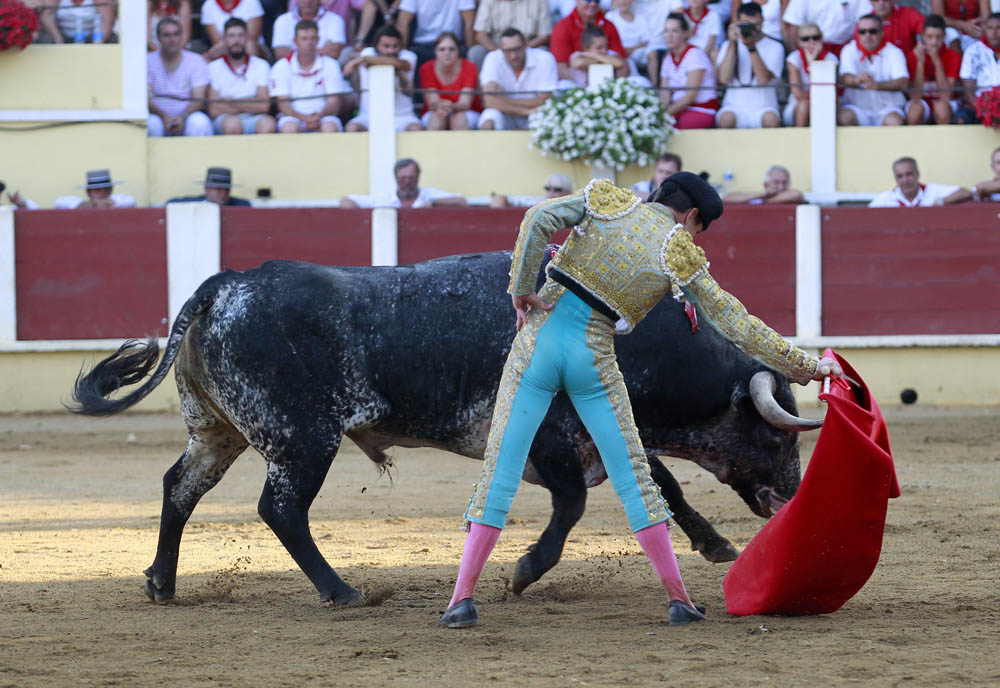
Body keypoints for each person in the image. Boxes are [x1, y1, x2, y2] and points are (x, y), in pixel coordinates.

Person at [437, 172, 842, 630]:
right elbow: (735, 321)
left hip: (538, 346)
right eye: (696, 228)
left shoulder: (608, 201)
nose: (691, 234)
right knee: (634, 476)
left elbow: (538, 217)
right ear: (691, 217)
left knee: (501, 469)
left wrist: (521, 289)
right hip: (594, 358)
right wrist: (806, 367)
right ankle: (680, 602)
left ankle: (460, 602)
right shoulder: (679, 250)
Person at [270, 19, 352, 133]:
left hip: (324, 116)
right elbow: (283, 104)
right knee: (289, 128)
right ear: (295, 41)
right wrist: (304, 118)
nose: (309, 43)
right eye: (304, 39)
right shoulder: (281, 66)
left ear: (318, 40)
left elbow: (334, 102)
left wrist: (317, 117)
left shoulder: (331, 64)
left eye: (313, 38)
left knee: (329, 128)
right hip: (292, 117)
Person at [715, 2, 786, 129]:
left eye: (756, 24)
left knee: (770, 120)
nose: (752, 29)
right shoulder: (728, 45)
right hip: (734, 106)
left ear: (763, 21)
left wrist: (751, 48)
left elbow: (764, 80)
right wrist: (733, 44)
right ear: (737, 22)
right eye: (747, 24)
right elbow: (723, 79)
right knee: (726, 119)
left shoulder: (775, 46)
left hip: (764, 106)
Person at [344, 24, 424, 132]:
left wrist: (361, 59)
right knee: (352, 128)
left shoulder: (408, 56)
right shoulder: (367, 53)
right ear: (376, 46)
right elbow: (379, 63)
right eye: (386, 46)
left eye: (395, 46)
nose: (391, 51)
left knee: (416, 129)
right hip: (369, 115)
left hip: (402, 116)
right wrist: (365, 59)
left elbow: (400, 64)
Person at [478, 28, 559, 131]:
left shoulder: (545, 59)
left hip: (535, 113)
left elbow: (545, 100)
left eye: (517, 49)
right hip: (522, 112)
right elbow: (489, 102)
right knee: (488, 119)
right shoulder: (492, 58)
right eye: (508, 50)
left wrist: (503, 100)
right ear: (500, 49)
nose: (513, 56)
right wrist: (524, 111)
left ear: (526, 46)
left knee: (544, 116)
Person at [837, 14, 908, 127]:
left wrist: (878, 85)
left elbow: (903, 82)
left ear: (881, 33)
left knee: (895, 121)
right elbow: (846, 78)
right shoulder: (849, 50)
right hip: (857, 108)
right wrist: (857, 79)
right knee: (844, 117)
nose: (867, 35)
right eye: (862, 31)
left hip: (888, 108)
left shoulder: (894, 52)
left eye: (873, 31)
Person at [208, 18, 277, 135]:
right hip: (225, 119)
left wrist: (229, 101)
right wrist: (250, 103)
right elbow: (214, 109)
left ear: (247, 38)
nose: (236, 40)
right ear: (224, 40)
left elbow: (264, 106)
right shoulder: (213, 67)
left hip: (253, 118)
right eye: (232, 36)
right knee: (232, 124)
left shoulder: (261, 65)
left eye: (240, 36)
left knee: (268, 124)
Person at [147, 18, 214, 137]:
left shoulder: (196, 61)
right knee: (151, 123)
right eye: (167, 35)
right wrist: (163, 117)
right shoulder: (148, 61)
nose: (172, 39)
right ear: (158, 38)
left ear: (182, 36)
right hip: (158, 117)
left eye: (176, 34)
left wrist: (183, 117)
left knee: (200, 122)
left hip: (186, 117)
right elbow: (146, 98)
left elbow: (198, 99)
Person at [654, 13, 718, 129]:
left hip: (701, 109)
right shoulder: (668, 59)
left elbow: (690, 96)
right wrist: (659, 113)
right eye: (666, 31)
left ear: (685, 33)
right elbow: (664, 94)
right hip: (678, 110)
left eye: (675, 31)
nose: (669, 35)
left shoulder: (695, 54)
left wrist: (663, 115)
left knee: (680, 124)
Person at [550, 0, 627, 85]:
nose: (593, 4)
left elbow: (622, 64)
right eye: (588, 0)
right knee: (565, 85)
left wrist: (612, 86)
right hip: (577, 83)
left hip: (609, 81)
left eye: (597, 0)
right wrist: (584, 87)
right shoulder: (563, 26)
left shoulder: (609, 25)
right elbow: (561, 67)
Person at [905, 15, 962, 126]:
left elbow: (946, 96)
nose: (934, 42)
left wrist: (937, 62)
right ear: (923, 36)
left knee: (942, 108)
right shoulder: (913, 55)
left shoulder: (953, 56)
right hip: (922, 100)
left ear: (944, 36)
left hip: (945, 102)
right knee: (915, 111)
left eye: (938, 37)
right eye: (929, 37)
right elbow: (915, 96)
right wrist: (920, 63)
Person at [418, 32, 482, 130]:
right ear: (435, 51)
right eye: (442, 49)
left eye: (451, 49)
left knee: (458, 118)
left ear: (458, 51)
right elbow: (432, 103)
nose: (447, 53)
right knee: (438, 118)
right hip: (436, 112)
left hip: (467, 112)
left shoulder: (470, 67)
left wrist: (448, 106)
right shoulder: (426, 68)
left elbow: (465, 103)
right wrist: (447, 107)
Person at [340, 158, 466, 208]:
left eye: (411, 178)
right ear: (396, 178)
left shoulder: (429, 195)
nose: (407, 182)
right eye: (402, 178)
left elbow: (462, 202)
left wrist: (435, 202)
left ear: (418, 177)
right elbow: (346, 200)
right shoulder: (383, 198)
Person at [784, 22, 839, 127]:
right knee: (805, 105)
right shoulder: (794, 58)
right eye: (805, 39)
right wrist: (811, 63)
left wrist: (812, 63)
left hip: (825, 104)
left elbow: (829, 92)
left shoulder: (831, 58)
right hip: (797, 105)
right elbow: (798, 94)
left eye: (815, 38)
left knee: (829, 105)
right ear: (799, 42)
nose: (811, 42)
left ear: (821, 38)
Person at [469, 0, 553, 68]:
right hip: (497, 46)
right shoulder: (489, 1)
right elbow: (480, 34)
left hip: (528, 45)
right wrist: (499, 51)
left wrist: (521, 48)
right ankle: (483, 87)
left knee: (543, 51)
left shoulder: (539, 1)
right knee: (476, 52)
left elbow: (544, 35)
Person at [395, 0, 476, 66]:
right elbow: (469, 23)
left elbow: (403, 23)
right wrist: (402, 52)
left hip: (451, 44)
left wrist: (469, 50)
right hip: (424, 47)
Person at [868, 157, 972, 207]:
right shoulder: (885, 199)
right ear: (895, 179)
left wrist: (940, 202)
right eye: (900, 176)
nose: (905, 180)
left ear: (917, 174)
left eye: (909, 174)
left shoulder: (932, 190)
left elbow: (966, 192)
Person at [781, 0, 870, 55]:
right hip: (812, 47)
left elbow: (865, 21)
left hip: (846, 50)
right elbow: (793, 25)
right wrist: (798, 56)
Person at [958, 12, 1000, 124]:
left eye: (998, 28)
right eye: (990, 28)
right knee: (961, 119)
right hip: (980, 107)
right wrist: (985, 112)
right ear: (984, 29)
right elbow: (968, 91)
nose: (994, 33)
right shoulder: (972, 51)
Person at [272, 0, 347, 61]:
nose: (308, 1)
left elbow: (333, 53)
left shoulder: (335, 19)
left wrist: (297, 52)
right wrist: (319, 51)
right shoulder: (282, 20)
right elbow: (280, 55)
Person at [566, 26, 631, 87]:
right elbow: (579, 63)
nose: (604, 51)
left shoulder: (611, 53)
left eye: (606, 46)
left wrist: (593, 55)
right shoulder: (578, 55)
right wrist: (606, 59)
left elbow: (619, 63)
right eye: (599, 48)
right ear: (586, 49)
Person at [201, 0, 265, 60]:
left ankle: (253, 70)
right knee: (207, 56)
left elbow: (252, 38)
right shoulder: (208, 5)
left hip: (255, 47)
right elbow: (218, 42)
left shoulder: (251, 1)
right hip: (225, 46)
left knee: (250, 45)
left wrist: (235, 42)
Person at [605, 0, 656, 71]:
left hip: (635, 51)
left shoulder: (640, 19)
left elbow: (645, 41)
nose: (623, 2)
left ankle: (654, 82)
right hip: (617, 53)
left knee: (652, 53)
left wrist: (631, 49)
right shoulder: (610, 16)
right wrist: (621, 50)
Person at [38, 0, 117, 43]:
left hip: (92, 36)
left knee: (113, 39)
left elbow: (108, 21)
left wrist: (97, 44)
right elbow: (45, 15)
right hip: (62, 35)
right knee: (43, 39)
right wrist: (59, 42)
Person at [167, 167, 252, 206]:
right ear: (206, 188)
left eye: (227, 190)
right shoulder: (195, 202)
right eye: (218, 189)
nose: (223, 194)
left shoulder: (241, 205)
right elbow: (170, 203)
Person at [53, 170, 136, 209]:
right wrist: (92, 204)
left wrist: (96, 204)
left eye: (106, 189)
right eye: (97, 190)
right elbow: (59, 202)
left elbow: (130, 201)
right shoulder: (76, 202)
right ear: (88, 192)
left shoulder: (121, 199)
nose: (103, 192)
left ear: (111, 190)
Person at [723, 165, 805, 204]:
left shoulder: (791, 196)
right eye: (776, 182)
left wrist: (765, 201)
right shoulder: (759, 196)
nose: (781, 187)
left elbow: (796, 195)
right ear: (766, 185)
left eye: (785, 183)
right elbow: (726, 198)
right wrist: (761, 195)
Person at [489, 172, 574, 207]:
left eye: (557, 190)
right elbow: (502, 198)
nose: (551, 193)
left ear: (568, 193)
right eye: (547, 188)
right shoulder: (538, 203)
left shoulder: (575, 207)